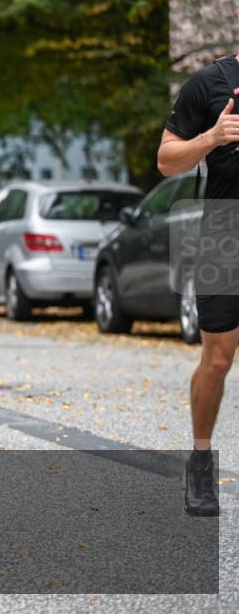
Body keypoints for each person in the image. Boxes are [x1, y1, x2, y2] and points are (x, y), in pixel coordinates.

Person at [157, 50, 239, 517]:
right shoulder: (209, 82)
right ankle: (201, 460)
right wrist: (211, 137)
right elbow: (167, 161)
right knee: (219, 359)